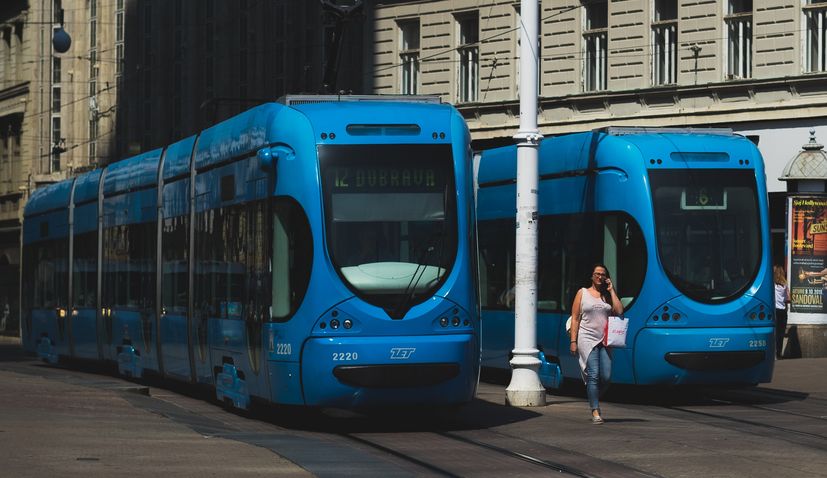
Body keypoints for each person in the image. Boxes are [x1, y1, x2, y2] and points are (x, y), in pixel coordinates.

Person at [569, 264, 624, 424]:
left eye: (603, 274)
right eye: (597, 274)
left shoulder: (607, 296)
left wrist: (612, 290)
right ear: (592, 276)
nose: (600, 277)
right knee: (593, 375)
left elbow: (619, 311)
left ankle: (593, 397)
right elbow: (575, 318)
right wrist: (573, 341)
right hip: (586, 338)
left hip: (605, 340)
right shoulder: (582, 293)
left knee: (606, 377)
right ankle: (595, 410)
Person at [773, 265, 790, 359]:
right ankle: (779, 353)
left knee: (775, 332)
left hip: (775, 310)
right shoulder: (785, 285)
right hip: (783, 311)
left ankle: (774, 353)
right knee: (781, 333)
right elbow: (788, 298)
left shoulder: (773, 285)